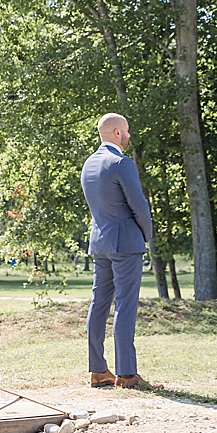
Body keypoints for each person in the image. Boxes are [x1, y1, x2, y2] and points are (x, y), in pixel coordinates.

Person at [81, 112, 154, 389]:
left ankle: (98, 371)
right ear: (116, 133)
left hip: (100, 243)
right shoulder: (121, 163)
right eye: (126, 131)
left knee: (99, 304)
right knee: (125, 305)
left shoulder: (89, 164)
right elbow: (139, 206)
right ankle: (126, 374)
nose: (128, 136)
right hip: (126, 243)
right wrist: (146, 236)